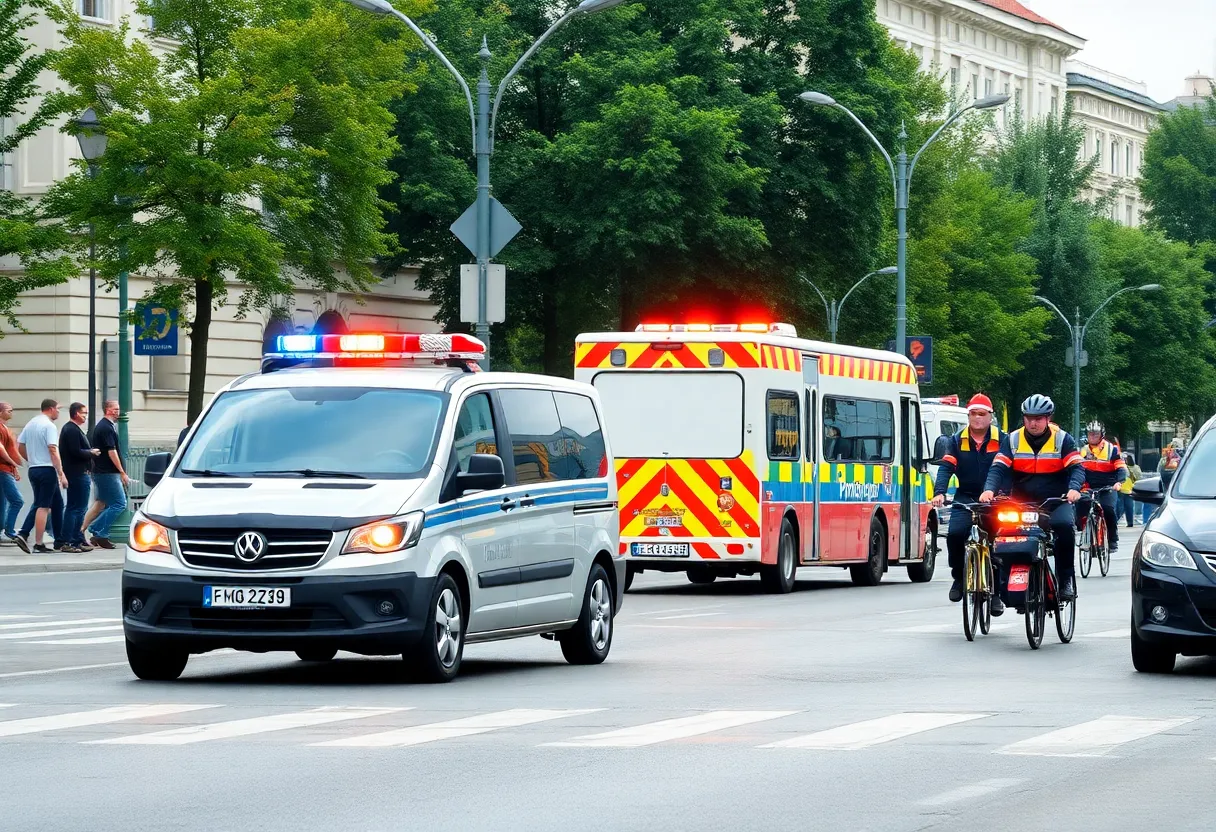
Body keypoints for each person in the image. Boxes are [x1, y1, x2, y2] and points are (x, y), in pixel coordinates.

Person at [980, 394, 1085, 601]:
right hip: (1021, 502)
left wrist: (1074, 489)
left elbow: (1077, 469)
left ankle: (1066, 580)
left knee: (1064, 527)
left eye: (1038, 418)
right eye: (1029, 418)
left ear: (1048, 418)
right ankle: (1004, 587)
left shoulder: (1063, 439)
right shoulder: (1013, 439)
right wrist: (989, 489)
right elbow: (998, 468)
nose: (1033, 423)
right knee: (1007, 533)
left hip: (1055, 500)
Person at [931, 393, 1006, 613]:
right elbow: (946, 467)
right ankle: (959, 578)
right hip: (966, 497)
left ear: (990, 417)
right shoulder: (956, 440)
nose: (977, 418)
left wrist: (1004, 493)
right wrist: (940, 492)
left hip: (996, 499)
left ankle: (996, 595)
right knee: (955, 534)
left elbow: (1008, 468)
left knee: (998, 544)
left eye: (981, 414)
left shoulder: (1002, 439)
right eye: (973, 414)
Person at [14, 399, 67, 554]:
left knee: (57, 503)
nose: (58, 412)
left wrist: (31, 459)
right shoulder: (49, 426)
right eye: (58, 409)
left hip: (34, 469)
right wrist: (60, 472)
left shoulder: (31, 423)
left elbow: (20, 445)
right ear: (50, 409)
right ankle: (36, 541)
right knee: (43, 506)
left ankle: (59, 540)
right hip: (47, 469)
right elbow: (52, 449)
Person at [1076, 420, 1127, 552]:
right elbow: (1078, 470)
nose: (1092, 436)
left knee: (1108, 509)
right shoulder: (1083, 451)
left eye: (1095, 434)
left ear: (1101, 435)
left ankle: (1112, 540)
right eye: (1090, 434)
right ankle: (1084, 533)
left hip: (1108, 486)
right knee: (1081, 504)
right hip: (1088, 486)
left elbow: (1121, 467)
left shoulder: (1112, 449)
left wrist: (1118, 482)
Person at [86, 399, 129, 549]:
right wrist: (122, 472)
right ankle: (99, 532)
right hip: (107, 473)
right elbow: (112, 452)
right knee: (119, 503)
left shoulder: (105, 426)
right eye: (115, 409)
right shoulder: (106, 428)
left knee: (103, 502)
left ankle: (97, 532)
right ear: (108, 410)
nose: (118, 412)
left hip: (102, 472)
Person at [59, 402, 100, 553]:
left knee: (78, 508)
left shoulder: (73, 429)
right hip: (77, 473)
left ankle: (76, 539)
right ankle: (69, 541)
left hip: (78, 473)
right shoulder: (71, 430)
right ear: (76, 413)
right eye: (84, 413)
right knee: (76, 508)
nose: (85, 416)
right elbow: (75, 451)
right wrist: (91, 452)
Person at [0, 402, 23, 544]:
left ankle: (3, 531)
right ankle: (9, 531)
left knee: (3, 503)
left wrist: (14, 468)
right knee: (17, 501)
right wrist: (13, 463)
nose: (11, 412)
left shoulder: (5, 428)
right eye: (9, 410)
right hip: (3, 470)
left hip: (7, 470)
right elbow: (1, 449)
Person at [1120, 450, 1141, 527]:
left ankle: (1129, 522)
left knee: (1125, 507)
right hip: (1124, 489)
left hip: (1126, 489)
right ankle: (1128, 522)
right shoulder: (1120, 467)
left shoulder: (1131, 467)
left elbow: (1138, 477)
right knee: (1125, 507)